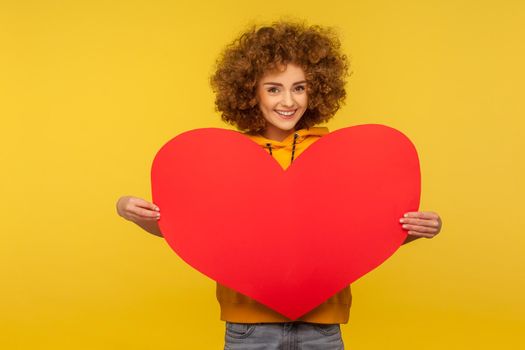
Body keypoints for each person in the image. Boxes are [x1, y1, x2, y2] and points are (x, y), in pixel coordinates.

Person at [116, 20, 442, 350]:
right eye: (274, 89)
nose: (288, 100)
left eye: (299, 87)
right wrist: (134, 213)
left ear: (317, 88)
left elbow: (358, 235)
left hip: (322, 325)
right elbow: (194, 232)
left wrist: (414, 228)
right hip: (248, 325)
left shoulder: (337, 158)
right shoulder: (226, 161)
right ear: (248, 92)